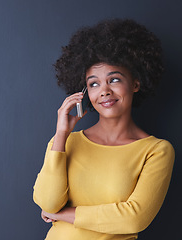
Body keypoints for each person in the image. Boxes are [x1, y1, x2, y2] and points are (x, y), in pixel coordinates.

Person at [33, 19, 175, 240]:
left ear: (135, 84)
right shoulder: (65, 142)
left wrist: (65, 214)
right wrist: (61, 134)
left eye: (114, 79)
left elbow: (134, 219)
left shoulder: (156, 151)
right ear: (85, 92)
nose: (104, 91)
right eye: (94, 84)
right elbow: (48, 202)